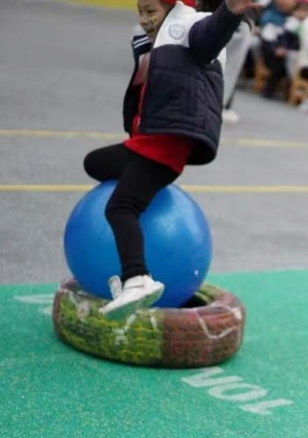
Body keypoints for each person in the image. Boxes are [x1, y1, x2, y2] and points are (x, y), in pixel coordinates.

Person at [82, 0, 259, 319]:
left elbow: (210, 34)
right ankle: (138, 189)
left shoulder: (189, 27)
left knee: (121, 207)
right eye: (140, 12)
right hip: (150, 140)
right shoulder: (153, 42)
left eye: (151, 11)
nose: (144, 20)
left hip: (166, 142)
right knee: (94, 163)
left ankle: (137, 278)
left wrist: (229, 12)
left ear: (172, 8)